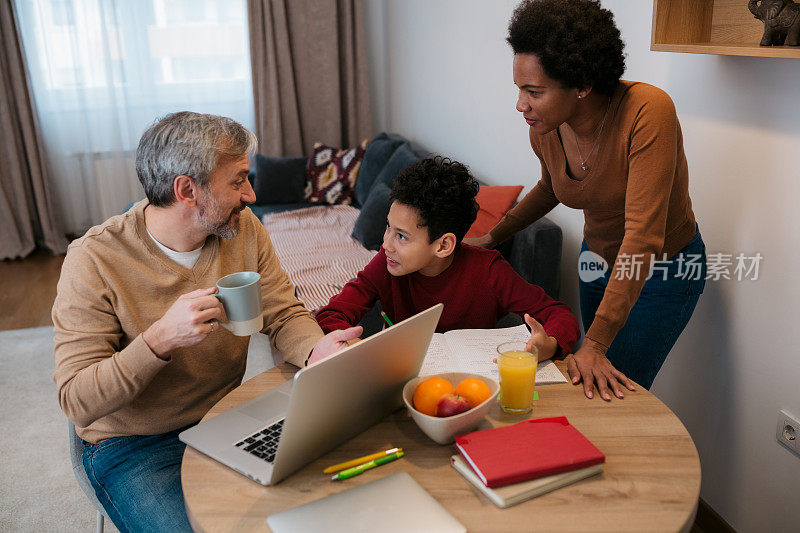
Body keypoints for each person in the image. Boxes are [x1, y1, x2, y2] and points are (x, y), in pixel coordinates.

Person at [52, 112, 360, 532]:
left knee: (318, 509)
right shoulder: (94, 259)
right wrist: (159, 339)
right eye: (237, 181)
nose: (251, 194)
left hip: (225, 419)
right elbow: (77, 399)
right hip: (132, 445)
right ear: (186, 190)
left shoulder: (244, 230)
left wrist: (315, 349)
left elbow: (283, 311)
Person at [465, 0, 707, 398]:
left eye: (534, 91)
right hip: (596, 260)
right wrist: (492, 237)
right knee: (587, 385)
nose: (520, 104)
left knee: (618, 390)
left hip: (664, 269)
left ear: (581, 84)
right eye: (519, 89)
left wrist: (594, 345)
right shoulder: (545, 129)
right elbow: (550, 188)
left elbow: (644, 236)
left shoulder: (648, 112)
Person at [314, 156, 580, 365]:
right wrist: (352, 347)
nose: (386, 244)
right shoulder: (387, 263)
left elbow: (559, 314)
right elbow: (331, 314)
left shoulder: (489, 271)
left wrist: (550, 344)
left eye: (402, 236)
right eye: (388, 228)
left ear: (443, 245)